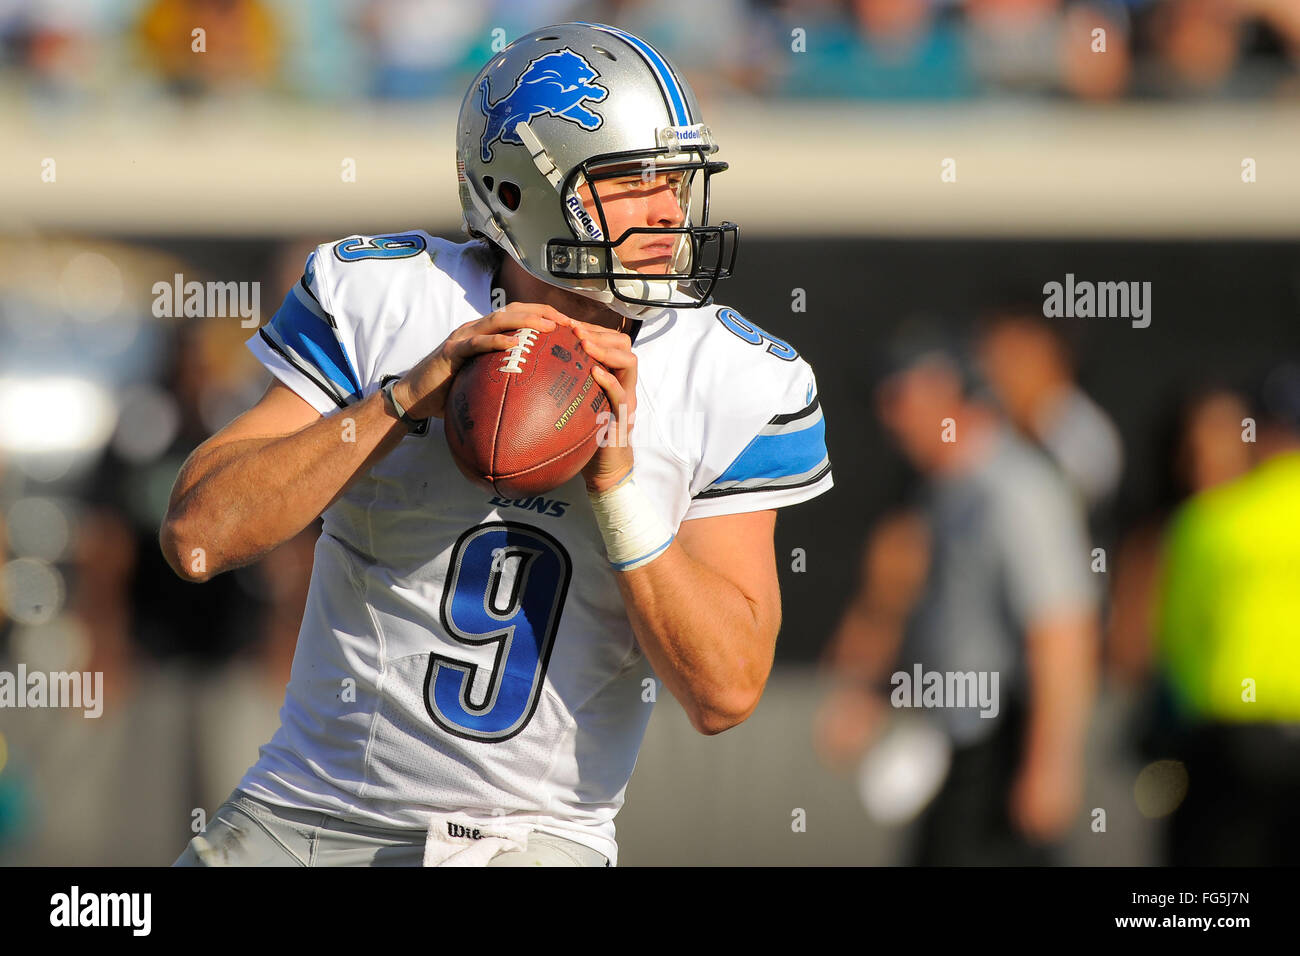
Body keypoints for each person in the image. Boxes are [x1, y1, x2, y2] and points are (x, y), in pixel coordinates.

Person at [161, 22, 832, 867]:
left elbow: (725, 690)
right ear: (517, 193)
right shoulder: (390, 300)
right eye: (631, 183)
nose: (670, 210)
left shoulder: (734, 377)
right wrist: (399, 401)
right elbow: (196, 536)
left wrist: (617, 489)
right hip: (302, 815)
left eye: (675, 180)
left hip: (531, 841)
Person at [817, 335, 1097, 864]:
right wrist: (872, 694)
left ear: (948, 394)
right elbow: (927, 610)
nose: (891, 419)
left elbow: (1061, 629)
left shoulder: (1015, 488)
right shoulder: (937, 493)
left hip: (1002, 752)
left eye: (901, 399)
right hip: (953, 748)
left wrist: (1049, 765)